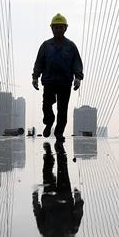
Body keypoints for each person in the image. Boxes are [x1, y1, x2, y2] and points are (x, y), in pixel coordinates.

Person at [32, 13, 84, 142]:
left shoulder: (71, 46)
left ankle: (59, 132)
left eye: (61, 27)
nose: (58, 30)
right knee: (46, 105)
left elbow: (76, 63)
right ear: (52, 29)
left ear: (65, 28)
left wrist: (78, 78)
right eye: (55, 27)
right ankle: (49, 122)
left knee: (62, 109)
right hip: (49, 81)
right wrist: (35, 77)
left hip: (65, 82)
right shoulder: (46, 45)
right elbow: (39, 62)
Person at [32, 142, 84, 237]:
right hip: (65, 195)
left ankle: (49, 154)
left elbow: (38, 214)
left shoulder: (45, 232)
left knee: (47, 172)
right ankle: (59, 148)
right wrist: (78, 198)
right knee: (63, 168)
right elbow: (78, 213)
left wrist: (35, 199)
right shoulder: (72, 231)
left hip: (49, 198)